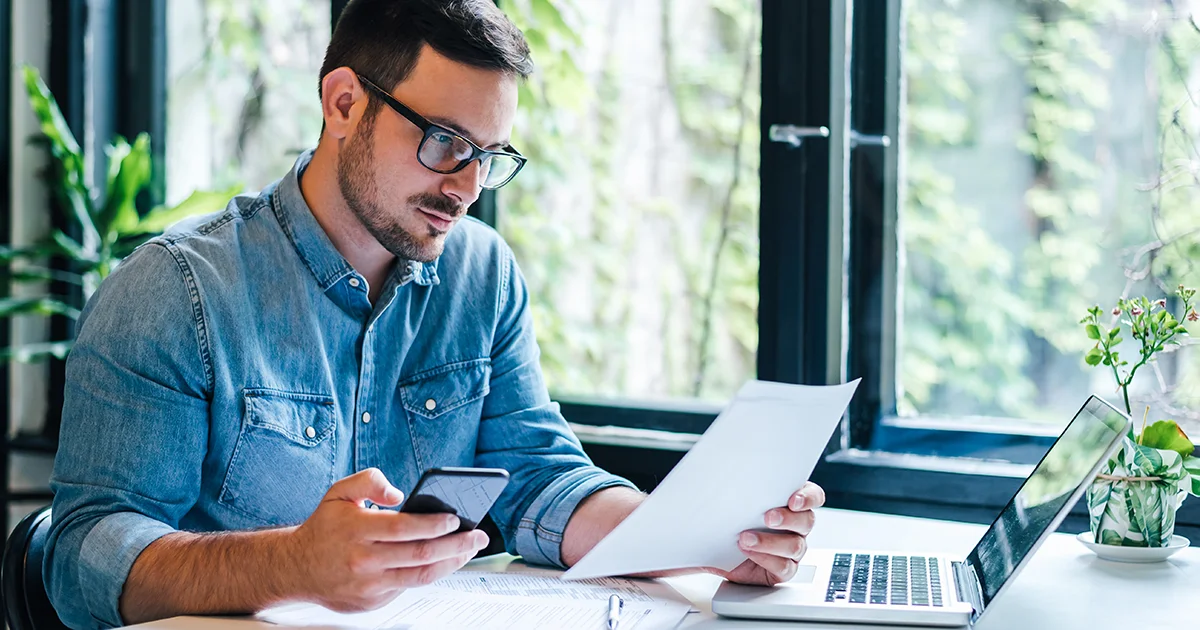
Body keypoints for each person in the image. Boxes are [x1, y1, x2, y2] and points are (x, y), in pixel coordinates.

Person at [43, 1, 825, 628]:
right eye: (447, 142)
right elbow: (84, 558)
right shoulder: (177, 292)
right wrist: (291, 564)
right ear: (344, 102)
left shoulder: (481, 275)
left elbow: (538, 477)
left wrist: (703, 541)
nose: (468, 186)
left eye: (490, 155)